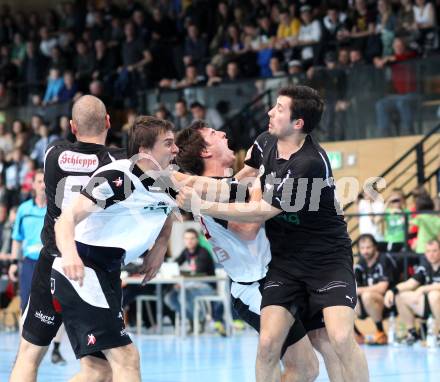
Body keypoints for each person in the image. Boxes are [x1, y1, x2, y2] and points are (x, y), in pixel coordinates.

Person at [177, 85, 369, 382]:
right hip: (266, 274)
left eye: (278, 108)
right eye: (215, 135)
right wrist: (187, 184)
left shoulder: (308, 163)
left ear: (298, 123)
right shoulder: (264, 142)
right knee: (284, 353)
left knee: (335, 341)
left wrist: (194, 193)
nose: (269, 111)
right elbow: (242, 182)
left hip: (322, 258)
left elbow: (258, 213)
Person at [52, 116, 179, 381]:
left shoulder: (166, 181)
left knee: (99, 372)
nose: (175, 149)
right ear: (145, 151)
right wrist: (70, 254)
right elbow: (66, 218)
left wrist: (161, 245)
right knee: (126, 358)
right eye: (168, 144)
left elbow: (168, 211)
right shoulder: (118, 176)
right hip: (83, 269)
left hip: (108, 273)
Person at [9, 95, 125, 382]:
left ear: (73, 126)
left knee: (29, 354)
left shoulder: (52, 154)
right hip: (92, 269)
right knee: (102, 367)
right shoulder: (120, 163)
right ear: (108, 122)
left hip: (52, 259)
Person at [7, 170, 66, 364]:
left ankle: (56, 350)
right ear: (33, 185)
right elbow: (17, 238)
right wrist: (14, 264)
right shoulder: (24, 209)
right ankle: (22, 353)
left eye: (44, 181)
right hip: (30, 263)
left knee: (59, 307)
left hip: (53, 262)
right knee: (26, 308)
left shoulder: (56, 207)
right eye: (38, 181)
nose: (42, 185)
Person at [384, 239, 440, 345]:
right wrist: (392, 291)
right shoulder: (425, 267)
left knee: (434, 295)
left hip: (436, 299)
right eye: (428, 251)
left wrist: (423, 289)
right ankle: (413, 333)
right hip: (430, 304)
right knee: (400, 296)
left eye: (434, 251)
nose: (431, 254)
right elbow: (411, 283)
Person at [164, 228, 219, 333]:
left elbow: (198, 274)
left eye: (192, 238)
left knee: (185, 293)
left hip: (207, 286)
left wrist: (181, 280)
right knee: (170, 298)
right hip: (190, 284)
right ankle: (193, 318)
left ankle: (200, 319)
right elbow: (175, 264)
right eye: (186, 238)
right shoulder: (186, 251)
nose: (189, 241)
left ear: (197, 239)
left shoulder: (203, 252)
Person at [354, 234, 397, 345]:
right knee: (345, 298)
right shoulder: (360, 264)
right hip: (366, 303)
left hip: (388, 301)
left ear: (375, 247)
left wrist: (359, 291)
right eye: (362, 248)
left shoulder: (384, 259)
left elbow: (382, 288)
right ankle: (357, 334)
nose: (365, 251)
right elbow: (354, 287)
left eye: (368, 247)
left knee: (367, 295)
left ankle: (380, 332)